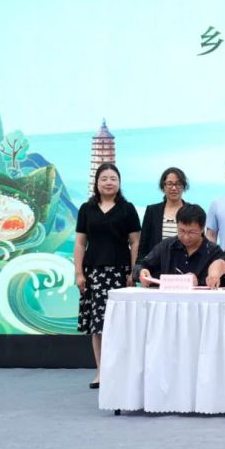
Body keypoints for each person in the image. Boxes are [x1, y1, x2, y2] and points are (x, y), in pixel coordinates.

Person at [74, 163, 140, 389]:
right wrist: (79, 273)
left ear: (119, 182)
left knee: (120, 323)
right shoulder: (86, 209)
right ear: (97, 183)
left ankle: (121, 371)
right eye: (104, 179)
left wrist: (133, 271)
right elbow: (80, 243)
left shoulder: (127, 209)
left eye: (113, 178)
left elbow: (135, 242)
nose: (109, 182)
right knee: (98, 325)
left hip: (120, 273)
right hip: (94, 273)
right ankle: (101, 371)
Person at [136, 204, 225, 287]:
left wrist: (200, 282)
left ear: (202, 228)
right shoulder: (167, 246)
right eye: (182, 231)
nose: (186, 237)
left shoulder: (214, 252)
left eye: (192, 232)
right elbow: (140, 266)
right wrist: (142, 271)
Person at [137, 167, 188, 265]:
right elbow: (143, 245)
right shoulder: (152, 211)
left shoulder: (192, 211)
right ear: (163, 186)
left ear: (183, 186)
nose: (174, 188)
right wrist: (140, 267)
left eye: (178, 184)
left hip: (184, 267)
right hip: (156, 267)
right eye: (169, 184)